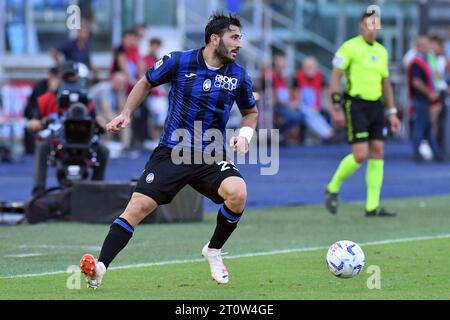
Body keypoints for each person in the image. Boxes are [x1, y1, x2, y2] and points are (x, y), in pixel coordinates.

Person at [79, 12, 258, 289]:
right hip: (172, 152)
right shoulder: (179, 61)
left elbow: (250, 112)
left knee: (238, 192)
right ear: (214, 38)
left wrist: (244, 136)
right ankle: (100, 268)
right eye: (234, 37)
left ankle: (213, 249)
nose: (239, 44)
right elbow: (145, 82)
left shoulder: (238, 76)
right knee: (137, 208)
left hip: (210, 156)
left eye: (240, 38)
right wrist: (126, 113)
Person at [324, 11, 401, 217]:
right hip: (355, 104)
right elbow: (335, 78)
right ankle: (332, 188)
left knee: (378, 151)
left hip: (376, 105)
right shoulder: (349, 47)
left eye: (376, 25)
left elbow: (385, 83)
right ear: (361, 25)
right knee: (360, 155)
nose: (373, 28)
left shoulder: (382, 51)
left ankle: (372, 206)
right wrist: (337, 107)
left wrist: (392, 112)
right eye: (369, 24)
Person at [26, 62, 109, 195]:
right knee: (42, 146)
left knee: (103, 151)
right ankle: (38, 190)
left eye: (73, 78)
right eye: (67, 78)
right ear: (61, 78)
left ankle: (96, 189)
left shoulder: (87, 99)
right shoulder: (47, 99)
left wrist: (102, 125)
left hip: (84, 140)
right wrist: (41, 123)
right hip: (58, 140)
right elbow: (32, 123)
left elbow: (98, 119)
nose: (71, 81)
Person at [407, 36, 443, 162]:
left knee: (427, 127)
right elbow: (416, 82)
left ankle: (436, 153)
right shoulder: (417, 63)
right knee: (420, 126)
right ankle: (417, 153)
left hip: (424, 100)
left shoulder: (427, 61)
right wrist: (429, 93)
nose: (427, 48)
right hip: (419, 99)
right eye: (423, 45)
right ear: (418, 47)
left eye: (427, 45)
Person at [294, 56, 334, 142]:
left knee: (320, 112)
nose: (311, 69)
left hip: (317, 106)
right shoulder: (298, 76)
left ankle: (328, 134)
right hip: (302, 106)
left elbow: (325, 92)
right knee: (310, 113)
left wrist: (329, 106)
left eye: (312, 67)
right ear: (303, 68)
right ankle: (328, 134)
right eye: (308, 67)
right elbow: (296, 95)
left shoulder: (320, 76)